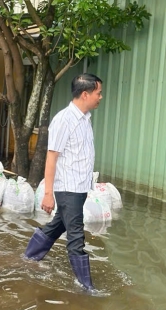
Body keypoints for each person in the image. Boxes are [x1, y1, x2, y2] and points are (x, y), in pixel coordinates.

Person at [24, 73, 102, 291]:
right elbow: (52, 157)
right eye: (98, 93)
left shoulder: (85, 119)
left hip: (79, 187)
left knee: (58, 225)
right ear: (85, 94)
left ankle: (29, 258)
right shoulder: (64, 120)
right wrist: (48, 193)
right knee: (76, 236)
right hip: (68, 188)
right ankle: (87, 287)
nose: (100, 97)